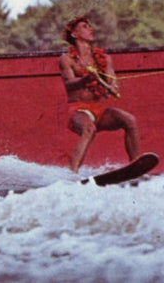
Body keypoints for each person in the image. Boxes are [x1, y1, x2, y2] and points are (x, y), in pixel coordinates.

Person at [59, 15, 140, 172]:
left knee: (130, 120)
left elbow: (111, 79)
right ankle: (72, 173)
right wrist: (85, 79)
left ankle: (135, 166)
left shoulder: (104, 59)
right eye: (85, 26)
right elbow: (68, 84)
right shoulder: (66, 59)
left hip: (98, 110)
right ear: (74, 34)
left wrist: (113, 86)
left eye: (90, 26)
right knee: (89, 129)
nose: (90, 28)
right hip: (78, 109)